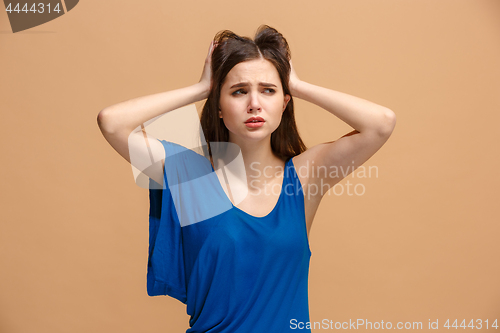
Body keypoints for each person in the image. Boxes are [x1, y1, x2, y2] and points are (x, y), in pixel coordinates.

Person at [97, 25, 396, 333]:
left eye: (268, 90)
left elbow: (381, 124)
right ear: (219, 106)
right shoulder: (191, 178)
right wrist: (201, 88)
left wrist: (296, 83)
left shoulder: (305, 176)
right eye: (239, 91)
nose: (254, 103)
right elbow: (112, 123)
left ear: (285, 102)